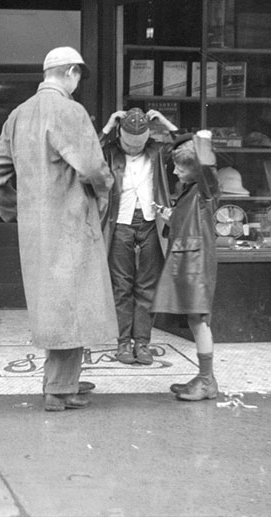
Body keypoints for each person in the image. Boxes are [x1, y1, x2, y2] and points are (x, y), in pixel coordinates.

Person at [0, 46, 118, 412]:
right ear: (71, 72)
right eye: (78, 76)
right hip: (70, 222)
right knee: (71, 304)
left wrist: (16, 211)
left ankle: (61, 381)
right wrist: (105, 193)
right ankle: (58, 390)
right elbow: (92, 167)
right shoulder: (70, 111)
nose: (77, 83)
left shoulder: (18, 114)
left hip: (35, 228)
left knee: (55, 305)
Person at [100, 107, 178, 366]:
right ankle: (123, 343)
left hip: (149, 223)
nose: (133, 149)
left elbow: (190, 149)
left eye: (139, 145)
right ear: (120, 135)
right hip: (119, 223)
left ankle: (142, 343)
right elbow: (88, 155)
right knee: (121, 287)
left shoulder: (157, 151)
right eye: (127, 144)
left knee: (147, 287)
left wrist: (165, 123)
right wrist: (108, 126)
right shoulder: (110, 152)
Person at [154, 130, 220, 401]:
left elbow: (208, 167)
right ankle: (204, 378)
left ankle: (207, 380)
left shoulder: (205, 190)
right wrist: (170, 217)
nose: (175, 173)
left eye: (180, 168)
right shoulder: (192, 193)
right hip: (187, 263)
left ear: (195, 170)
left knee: (199, 320)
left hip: (195, 265)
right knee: (195, 320)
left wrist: (202, 141)